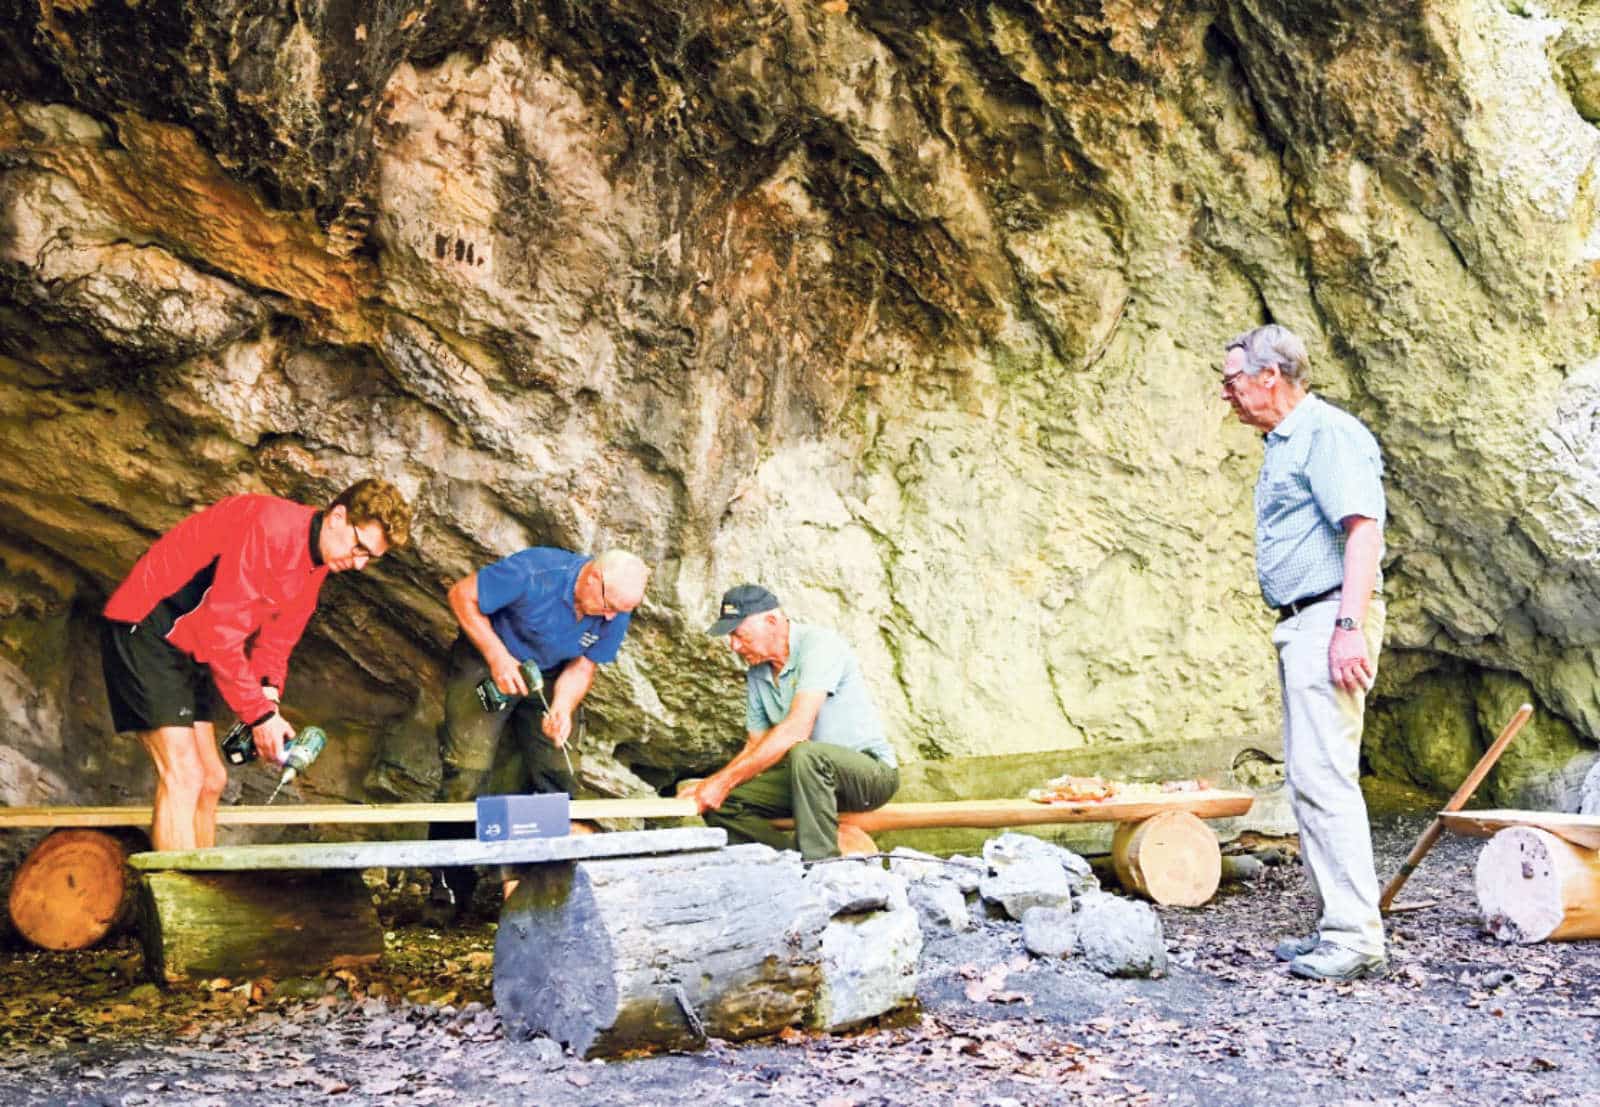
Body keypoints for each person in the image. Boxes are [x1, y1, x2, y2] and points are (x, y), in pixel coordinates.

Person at [101, 479, 412, 851]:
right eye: (359, 546)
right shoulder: (271, 529)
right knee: (183, 775)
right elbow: (222, 634)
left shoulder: (317, 566)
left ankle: (201, 893)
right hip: (148, 627)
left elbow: (275, 645)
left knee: (212, 779)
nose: (360, 562)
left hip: (189, 649)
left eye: (371, 557)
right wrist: (258, 716)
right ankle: (176, 906)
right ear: (338, 517)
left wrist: (269, 708)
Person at [1220, 324, 1388, 981]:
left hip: (1327, 616)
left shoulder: (1327, 433)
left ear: (1270, 376)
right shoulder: (1285, 442)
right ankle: (1337, 929)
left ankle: (1354, 937)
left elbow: (1363, 532)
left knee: (1326, 778)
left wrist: (1348, 624)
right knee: (1308, 778)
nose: (1226, 394)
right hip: (1305, 621)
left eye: (1231, 380)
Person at [427, 547, 648, 916]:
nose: (612, 617)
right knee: (466, 770)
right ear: (593, 577)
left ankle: (545, 893)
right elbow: (461, 594)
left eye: (621, 612)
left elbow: (583, 666)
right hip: (487, 657)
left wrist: (563, 706)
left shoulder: (616, 607)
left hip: (546, 674)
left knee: (558, 771)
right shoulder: (534, 572)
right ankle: (449, 887)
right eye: (609, 606)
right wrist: (497, 657)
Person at [693, 584, 899, 860]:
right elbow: (755, 744)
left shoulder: (820, 645)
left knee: (805, 752)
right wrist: (713, 785)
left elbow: (797, 730)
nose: (734, 646)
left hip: (870, 775)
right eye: (730, 637)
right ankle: (789, 863)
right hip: (807, 780)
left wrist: (721, 782)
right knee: (725, 803)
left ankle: (822, 864)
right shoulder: (758, 673)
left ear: (772, 621)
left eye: (740, 635)